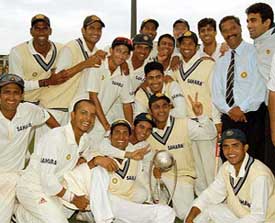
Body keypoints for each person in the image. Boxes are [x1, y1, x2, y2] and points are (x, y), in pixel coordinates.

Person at [15, 99, 119, 223]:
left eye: (92, 115)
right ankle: (18, 211)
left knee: (98, 168)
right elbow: (47, 180)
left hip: (55, 189)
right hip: (33, 188)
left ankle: (20, 215)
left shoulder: (84, 140)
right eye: (83, 113)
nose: (88, 118)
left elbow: (90, 156)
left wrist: (97, 159)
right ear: (73, 115)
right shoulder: (55, 138)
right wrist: (73, 198)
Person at [62, 119, 176, 223]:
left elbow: (144, 182)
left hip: (124, 204)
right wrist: (89, 161)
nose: (121, 136)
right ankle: (100, 217)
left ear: (129, 137)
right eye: (117, 132)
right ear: (110, 136)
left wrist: (154, 198)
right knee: (98, 172)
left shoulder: (135, 158)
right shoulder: (97, 154)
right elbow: (79, 174)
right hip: (105, 201)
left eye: (125, 133)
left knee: (167, 211)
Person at [146, 93, 217, 220]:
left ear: (170, 107)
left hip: (182, 176)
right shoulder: (146, 131)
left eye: (164, 106)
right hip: (157, 177)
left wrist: (201, 116)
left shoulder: (184, 123)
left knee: (184, 213)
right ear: (150, 111)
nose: (161, 110)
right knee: (157, 209)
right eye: (156, 107)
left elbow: (209, 135)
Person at [0, 73, 59, 223]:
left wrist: (62, 138)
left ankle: (17, 210)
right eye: (6, 91)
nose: (11, 97)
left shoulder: (28, 110)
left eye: (16, 92)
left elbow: (47, 117)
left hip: (16, 176)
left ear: (22, 95)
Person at [185, 129, 275, 223]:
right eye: (226, 146)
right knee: (206, 210)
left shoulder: (259, 175)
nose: (230, 151)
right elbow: (210, 195)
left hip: (264, 221)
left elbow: (258, 217)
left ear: (245, 148)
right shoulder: (226, 167)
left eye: (235, 145)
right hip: (240, 215)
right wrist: (191, 217)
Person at [170, 30, 220, 194]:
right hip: (185, 124)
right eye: (183, 43)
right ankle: (201, 200)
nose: (186, 47)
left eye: (190, 43)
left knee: (210, 164)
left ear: (196, 46)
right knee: (195, 164)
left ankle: (217, 199)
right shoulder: (176, 68)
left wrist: (217, 121)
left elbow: (215, 95)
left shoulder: (208, 64)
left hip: (205, 121)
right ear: (179, 46)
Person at [212, 16, 266, 162]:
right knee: (230, 161)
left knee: (254, 160)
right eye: (225, 31)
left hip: (252, 117)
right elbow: (216, 92)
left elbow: (259, 86)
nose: (230, 33)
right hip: (229, 117)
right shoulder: (221, 60)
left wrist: (241, 108)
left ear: (240, 28)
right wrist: (229, 110)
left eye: (233, 28)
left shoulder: (255, 53)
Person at [8, 14, 66, 143]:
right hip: (25, 105)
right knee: (17, 146)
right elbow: (16, 84)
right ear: (31, 31)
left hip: (48, 106)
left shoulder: (62, 49)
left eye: (44, 28)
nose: (41, 32)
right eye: (37, 28)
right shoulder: (18, 51)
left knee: (46, 146)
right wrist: (46, 82)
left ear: (50, 31)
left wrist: (121, 62)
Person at [47, 15, 106, 112]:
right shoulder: (71, 47)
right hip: (55, 106)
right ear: (83, 30)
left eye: (99, 29)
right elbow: (57, 78)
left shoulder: (96, 52)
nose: (96, 32)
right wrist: (85, 64)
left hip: (72, 108)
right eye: (91, 28)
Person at [85, 37, 134, 141]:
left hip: (100, 123)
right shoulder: (98, 64)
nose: (121, 55)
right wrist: (106, 125)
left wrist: (130, 129)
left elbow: (127, 104)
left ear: (128, 56)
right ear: (111, 50)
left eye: (125, 53)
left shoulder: (124, 75)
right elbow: (93, 96)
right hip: (83, 116)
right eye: (118, 51)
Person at [246, 2, 275, 172]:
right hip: (263, 110)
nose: (249, 25)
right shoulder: (256, 43)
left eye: (254, 20)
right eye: (248, 21)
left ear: (267, 22)